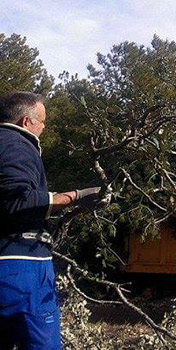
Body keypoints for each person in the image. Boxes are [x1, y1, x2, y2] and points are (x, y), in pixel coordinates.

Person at [0, 92, 103, 349]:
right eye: (42, 122)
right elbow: (16, 200)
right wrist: (75, 197)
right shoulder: (15, 144)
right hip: (20, 267)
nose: (44, 127)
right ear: (26, 121)